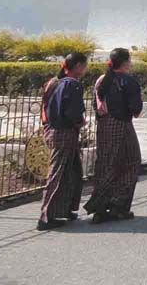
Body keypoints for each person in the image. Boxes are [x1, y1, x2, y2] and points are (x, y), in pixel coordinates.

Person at [84, 48, 143, 223]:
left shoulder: (101, 80)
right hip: (122, 125)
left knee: (106, 164)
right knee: (131, 162)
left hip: (104, 126)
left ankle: (100, 206)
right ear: (125, 62)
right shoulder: (128, 81)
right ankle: (119, 205)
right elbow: (136, 110)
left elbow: (95, 105)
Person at [37, 52, 88, 231]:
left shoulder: (54, 83)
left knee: (72, 171)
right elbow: (73, 112)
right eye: (84, 65)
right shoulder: (72, 84)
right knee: (58, 173)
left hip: (52, 130)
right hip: (64, 132)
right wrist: (80, 121)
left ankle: (64, 209)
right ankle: (46, 215)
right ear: (78, 66)